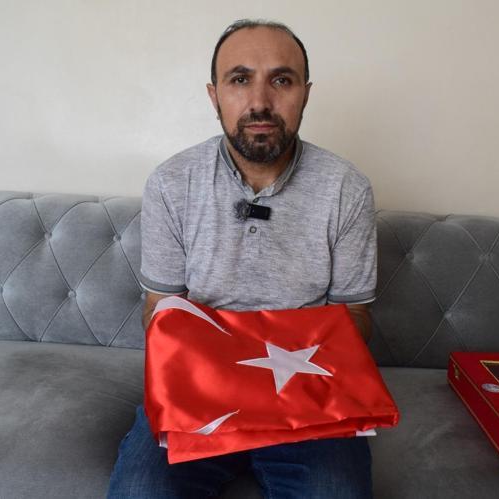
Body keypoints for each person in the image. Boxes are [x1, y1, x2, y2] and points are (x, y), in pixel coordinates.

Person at [107, 19, 377, 499]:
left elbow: (354, 315)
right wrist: (228, 370)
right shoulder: (171, 183)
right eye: (239, 79)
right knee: (141, 491)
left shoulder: (346, 188)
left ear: (305, 94)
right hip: (198, 387)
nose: (259, 102)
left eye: (281, 80)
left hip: (308, 391)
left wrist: (280, 368)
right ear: (214, 96)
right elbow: (160, 310)